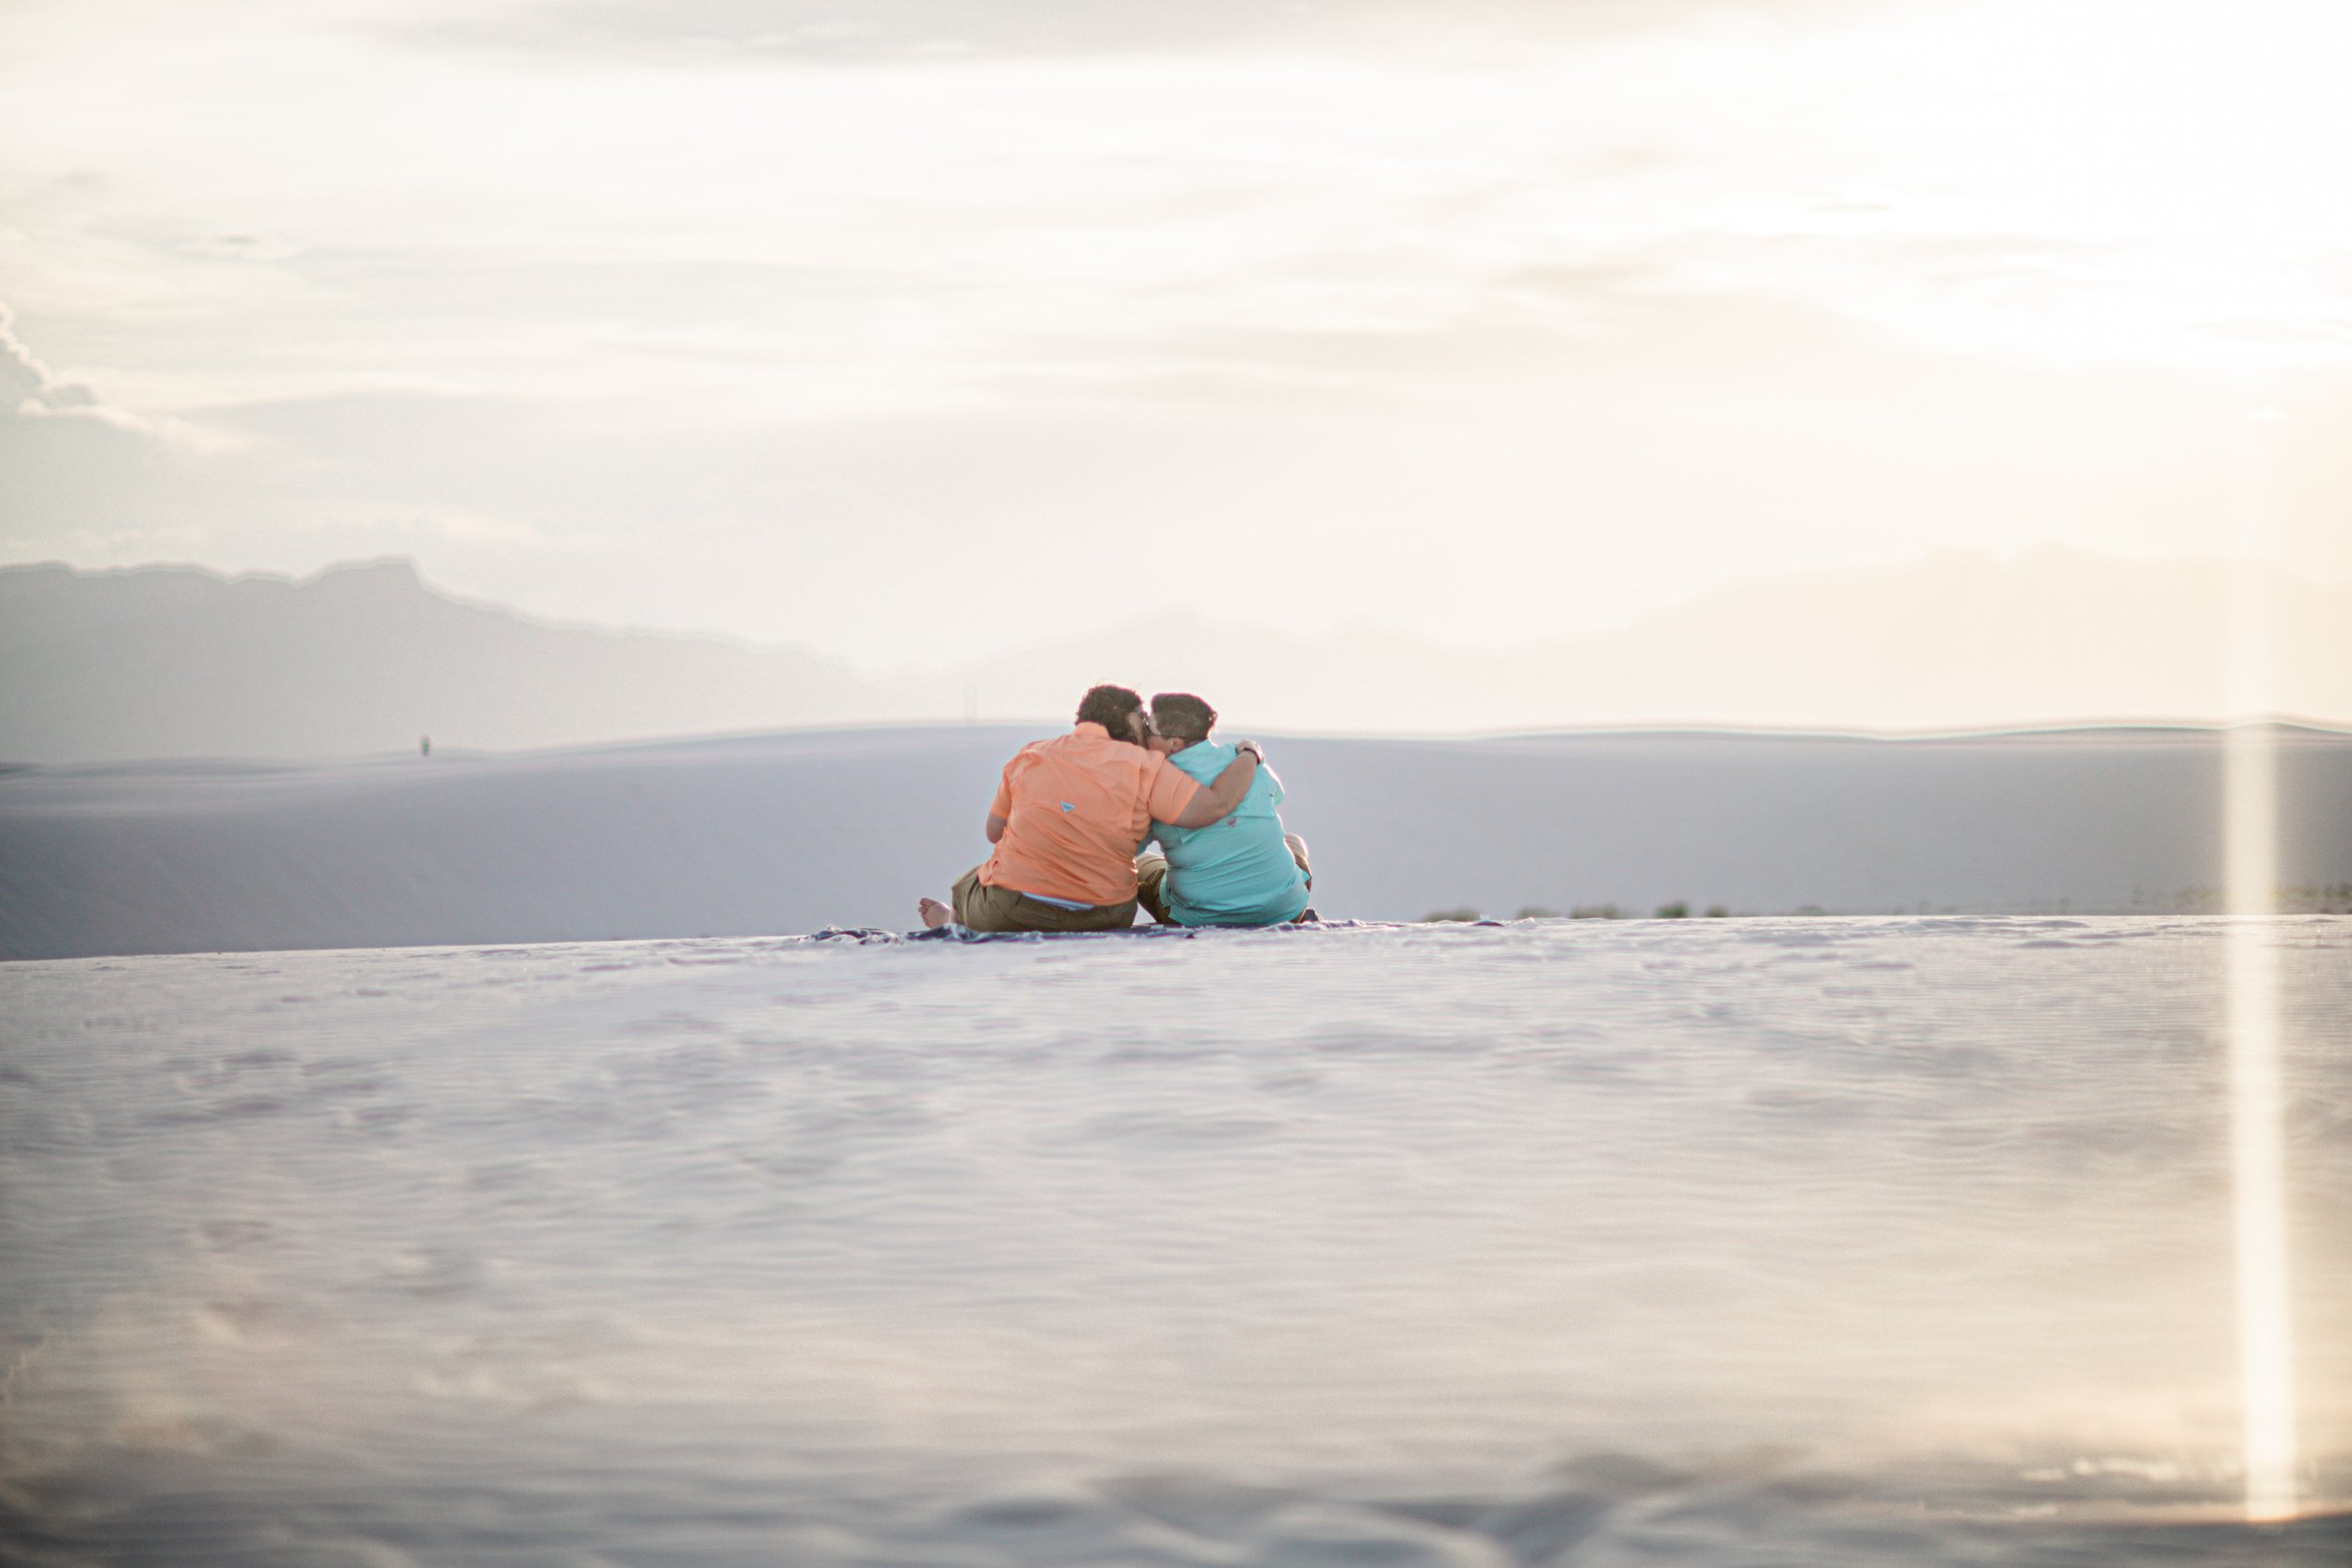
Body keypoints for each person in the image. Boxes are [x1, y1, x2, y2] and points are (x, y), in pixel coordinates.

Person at [917, 684, 1265, 933]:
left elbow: (994, 832)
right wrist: (1250, 755)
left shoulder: (1030, 756)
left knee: (969, 882)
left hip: (1011, 911)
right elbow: (1214, 805)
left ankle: (953, 921)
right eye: (1140, 723)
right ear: (1127, 723)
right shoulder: (1146, 766)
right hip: (1104, 915)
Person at [1136, 691, 1313, 927]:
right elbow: (1276, 796)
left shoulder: (1155, 783)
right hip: (1284, 910)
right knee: (1292, 841)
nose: (1144, 733)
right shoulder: (1247, 762)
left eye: (1149, 727)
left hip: (1196, 917)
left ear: (1174, 743)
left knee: (1139, 865)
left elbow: (1131, 847)